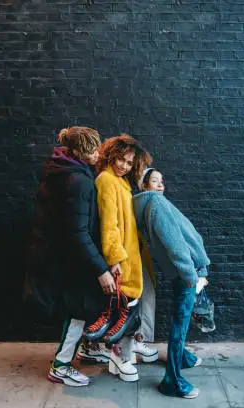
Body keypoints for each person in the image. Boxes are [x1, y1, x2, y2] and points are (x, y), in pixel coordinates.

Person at [24, 126, 118, 387]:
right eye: (92, 149)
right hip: (69, 257)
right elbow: (77, 232)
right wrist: (101, 270)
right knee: (78, 309)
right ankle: (61, 366)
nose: (97, 153)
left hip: (59, 253)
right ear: (78, 151)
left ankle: (86, 348)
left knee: (85, 304)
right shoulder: (78, 181)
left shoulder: (62, 169)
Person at [132, 168, 210, 399]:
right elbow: (175, 245)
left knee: (180, 319)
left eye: (161, 181)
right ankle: (172, 381)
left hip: (183, 271)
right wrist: (192, 275)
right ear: (144, 186)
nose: (160, 185)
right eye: (154, 181)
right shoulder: (156, 203)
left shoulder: (149, 205)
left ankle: (183, 357)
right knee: (180, 324)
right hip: (187, 273)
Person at [82, 134, 153, 382]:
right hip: (121, 261)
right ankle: (120, 359)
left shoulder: (120, 182)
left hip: (128, 258)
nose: (124, 165)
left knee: (123, 311)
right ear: (111, 155)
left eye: (129, 162)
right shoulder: (107, 181)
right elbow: (108, 226)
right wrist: (114, 260)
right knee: (122, 314)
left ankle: (115, 356)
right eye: (120, 159)